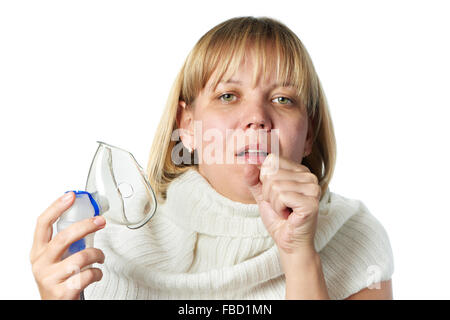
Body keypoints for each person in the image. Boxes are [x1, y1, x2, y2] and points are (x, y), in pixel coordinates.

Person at [30, 16, 394, 300]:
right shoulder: (110, 240)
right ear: (186, 125)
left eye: (283, 98)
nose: (257, 117)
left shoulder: (356, 237)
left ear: (309, 134)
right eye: (228, 96)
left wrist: (300, 256)